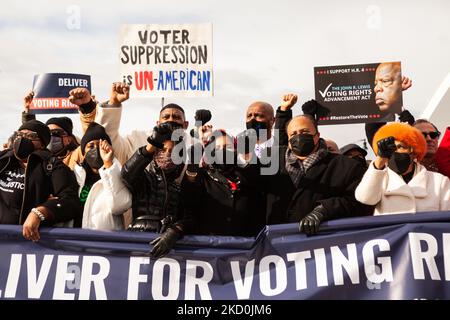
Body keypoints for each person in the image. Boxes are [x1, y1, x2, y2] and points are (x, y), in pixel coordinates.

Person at [266, 114, 373, 233]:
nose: (299, 136)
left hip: (322, 242)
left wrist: (324, 210)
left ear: (317, 136)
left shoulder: (346, 166)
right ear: (289, 141)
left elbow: (360, 201)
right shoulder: (273, 162)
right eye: (293, 134)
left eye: (304, 131)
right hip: (276, 241)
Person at [0, 120, 81, 240]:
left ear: (42, 144)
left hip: (29, 242)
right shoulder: (4, 159)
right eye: (20, 135)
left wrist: (41, 212)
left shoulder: (53, 166)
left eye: (31, 136)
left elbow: (70, 201)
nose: (22, 139)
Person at [121, 122, 192, 258]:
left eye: (172, 152)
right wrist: (150, 146)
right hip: (138, 244)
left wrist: (175, 231)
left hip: (169, 252)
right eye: (162, 150)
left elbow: (190, 218)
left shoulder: (180, 187)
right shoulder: (144, 178)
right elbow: (127, 174)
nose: (166, 154)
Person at [183, 129, 266, 237]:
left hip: (245, 248)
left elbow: (259, 179)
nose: (222, 151)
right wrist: (192, 167)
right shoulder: (203, 177)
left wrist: (247, 154)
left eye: (228, 147)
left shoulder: (246, 176)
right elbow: (188, 200)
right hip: (209, 247)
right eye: (217, 148)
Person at [355, 122, 450, 215]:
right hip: (392, 231)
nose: (395, 151)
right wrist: (379, 161)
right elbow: (365, 198)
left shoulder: (439, 181)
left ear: (414, 152)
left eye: (400, 146)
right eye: (390, 148)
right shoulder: (379, 179)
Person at [93, 82, 189, 165]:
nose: (170, 120)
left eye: (176, 117)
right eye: (165, 117)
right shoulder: (137, 139)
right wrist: (114, 102)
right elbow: (108, 140)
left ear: (185, 125)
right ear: (158, 123)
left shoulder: (194, 146)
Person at [74, 122, 131, 230]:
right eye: (90, 146)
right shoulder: (75, 176)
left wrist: (108, 164)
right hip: (77, 241)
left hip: (105, 243)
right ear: (83, 152)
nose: (96, 149)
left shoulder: (117, 173)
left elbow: (119, 206)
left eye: (100, 146)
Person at [21, 90, 98, 170]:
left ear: (68, 139)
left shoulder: (76, 157)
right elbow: (30, 136)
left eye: (56, 133)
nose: (51, 136)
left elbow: (91, 136)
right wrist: (28, 112)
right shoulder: (40, 158)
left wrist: (87, 107)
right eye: (48, 133)